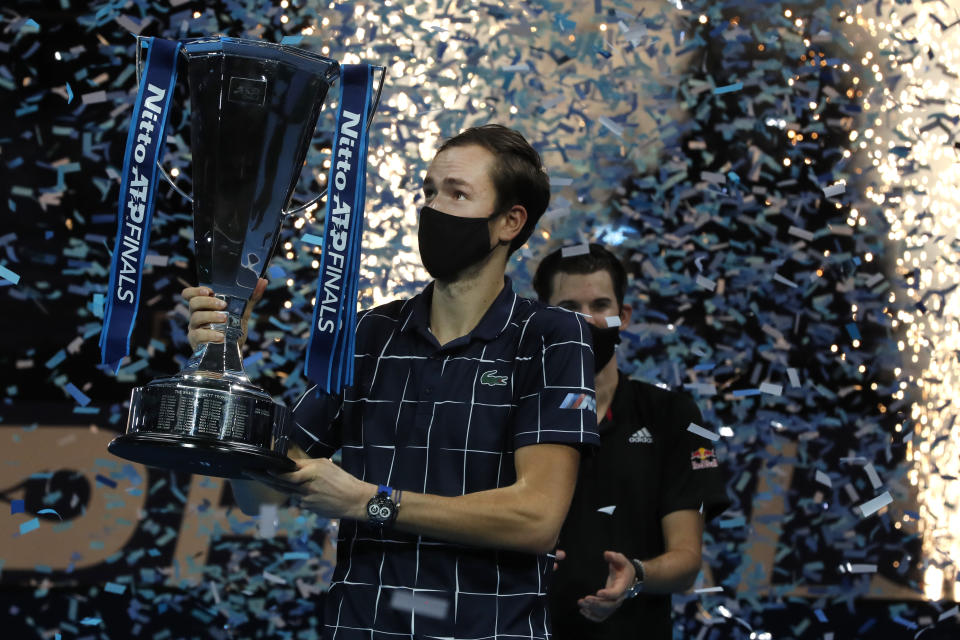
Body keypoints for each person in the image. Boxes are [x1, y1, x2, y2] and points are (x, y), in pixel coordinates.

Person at [183, 125, 599, 639]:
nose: (432, 209)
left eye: (457, 194)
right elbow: (261, 496)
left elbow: (536, 519)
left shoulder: (552, 336)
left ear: (510, 222)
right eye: (428, 192)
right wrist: (226, 360)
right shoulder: (369, 334)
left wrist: (368, 501)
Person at [532, 243, 730, 640]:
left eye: (600, 305)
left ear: (623, 317)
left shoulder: (674, 415)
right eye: (570, 307)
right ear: (542, 318)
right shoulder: (514, 413)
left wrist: (636, 574)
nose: (587, 320)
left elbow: (687, 562)